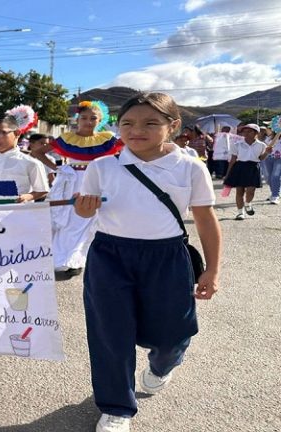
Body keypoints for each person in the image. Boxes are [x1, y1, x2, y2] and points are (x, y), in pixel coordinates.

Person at [73, 92, 222, 432]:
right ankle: (116, 408)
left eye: (150, 123)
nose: (136, 130)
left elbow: (205, 219)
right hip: (110, 256)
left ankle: (161, 366)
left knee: (174, 334)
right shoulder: (101, 167)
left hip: (167, 257)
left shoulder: (190, 168)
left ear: (172, 126)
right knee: (110, 333)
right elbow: (86, 211)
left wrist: (212, 269)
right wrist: (84, 209)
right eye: (127, 123)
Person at [30, 100, 123, 277]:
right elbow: (38, 152)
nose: (88, 121)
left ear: (100, 120)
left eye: (93, 118)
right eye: (84, 118)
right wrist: (57, 168)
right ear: (77, 119)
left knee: (94, 221)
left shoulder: (107, 139)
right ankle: (61, 259)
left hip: (98, 181)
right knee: (70, 220)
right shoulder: (67, 138)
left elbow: (127, 152)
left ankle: (79, 259)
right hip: (72, 182)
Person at [0, 113, 49, 202]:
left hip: (17, 213)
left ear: (17, 133)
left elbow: (42, 190)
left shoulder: (31, 163)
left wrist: (26, 197)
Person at [224, 124, 271, 220]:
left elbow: (261, 158)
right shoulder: (237, 144)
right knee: (239, 191)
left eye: (250, 131)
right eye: (244, 131)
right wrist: (228, 174)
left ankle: (248, 204)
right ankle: (240, 213)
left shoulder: (262, 145)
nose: (246, 133)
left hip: (253, 167)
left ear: (256, 133)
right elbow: (233, 160)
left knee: (251, 191)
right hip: (240, 167)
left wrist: (267, 152)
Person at [264, 131, 281, 204]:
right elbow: (269, 146)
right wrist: (278, 133)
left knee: (275, 176)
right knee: (268, 178)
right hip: (268, 158)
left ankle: (275, 195)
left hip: (279, 159)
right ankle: (274, 192)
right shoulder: (269, 138)